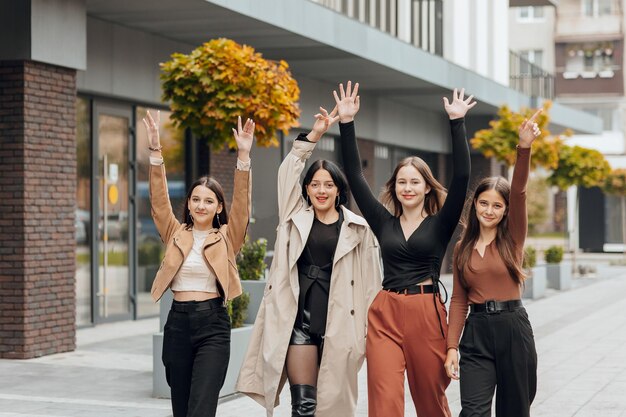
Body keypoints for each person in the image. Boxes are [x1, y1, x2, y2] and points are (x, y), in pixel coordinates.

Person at [335, 82, 475, 417]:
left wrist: (457, 123)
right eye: (402, 182)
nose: (407, 187)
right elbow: (354, 175)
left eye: (414, 181)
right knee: (383, 403)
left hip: (426, 313)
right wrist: (347, 123)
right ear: (394, 188)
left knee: (430, 402)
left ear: (427, 187)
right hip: (385, 311)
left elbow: (462, 177)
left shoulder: (441, 224)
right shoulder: (383, 222)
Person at [236, 106, 382, 417]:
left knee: (332, 409)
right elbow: (288, 170)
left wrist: (369, 334)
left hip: (341, 324)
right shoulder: (294, 216)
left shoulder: (358, 228)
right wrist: (314, 136)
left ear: (339, 190)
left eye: (328, 185)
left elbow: (372, 285)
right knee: (303, 405)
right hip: (298, 322)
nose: (321, 190)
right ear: (306, 188)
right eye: (315, 184)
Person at [143, 110, 255, 417]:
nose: (201, 205)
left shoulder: (227, 237)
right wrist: (155, 151)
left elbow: (242, 210)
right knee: (181, 408)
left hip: (213, 327)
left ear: (219, 206)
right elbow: (158, 202)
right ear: (189, 204)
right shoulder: (175, 232)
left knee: (201, 408)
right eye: (195, 199)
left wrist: (243, 158)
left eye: (208, 200)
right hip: (177, 324)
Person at [445, 110, 541, 417]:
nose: (489, 210)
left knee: (514, 411)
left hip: (513, 330)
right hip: (476, 335)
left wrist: (523, 148)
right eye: (483, 203)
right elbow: (459, 300)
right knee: (473, 412)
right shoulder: (462, 247)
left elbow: (520, 192)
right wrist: (451, 347)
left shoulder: (513, 238)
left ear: (504, 211)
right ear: (475, 205)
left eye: (497, 205)